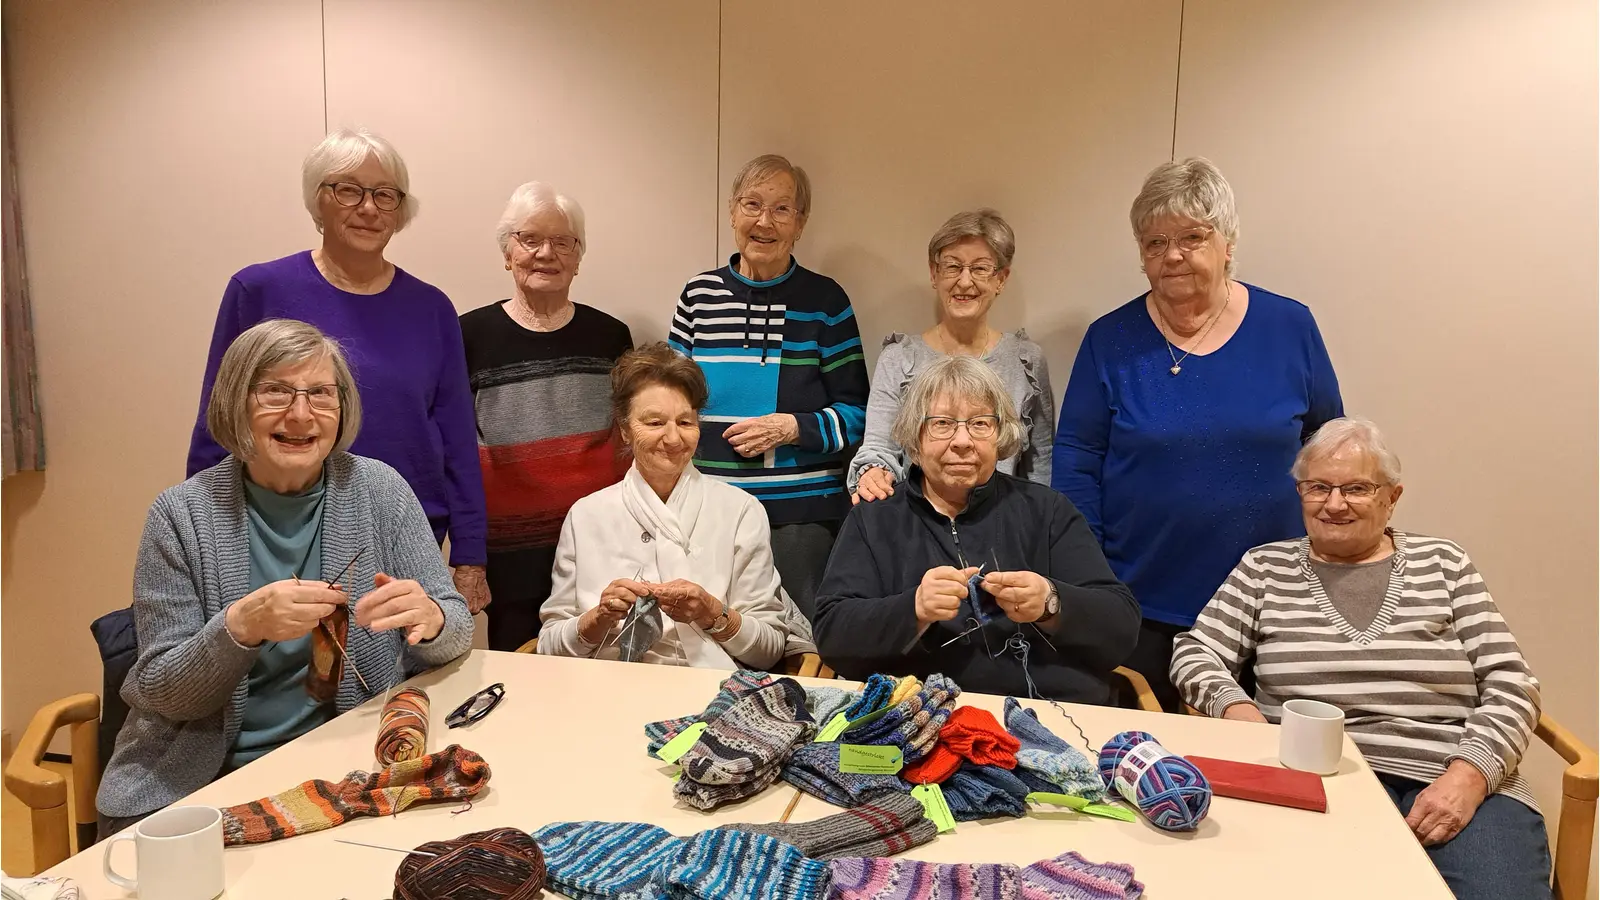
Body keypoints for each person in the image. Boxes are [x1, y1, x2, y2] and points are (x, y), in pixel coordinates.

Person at [98, 320, 474, 838]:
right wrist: (238, 627)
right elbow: (163, 692)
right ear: (234, 402)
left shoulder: (381, 490)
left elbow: (457, 629)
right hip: (199, 784)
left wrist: (432, 620)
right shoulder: (181, 514)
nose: (300, 414)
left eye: (321, 393)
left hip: (341, 767)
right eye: (274, 391)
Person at [1171, 417, 1546, 900]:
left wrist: (1469, 775)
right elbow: (1195, 650)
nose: (1334, 503)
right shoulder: (1264, 567)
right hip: (1312, 778)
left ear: (1392, 497)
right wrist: (1237, 710)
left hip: (1451, 774)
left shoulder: (1445, 563)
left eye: (1356, 488)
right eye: (1318, 487)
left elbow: (1513, 682)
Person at [1053, 157, 1343, 711]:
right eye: (1155, 242)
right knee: (1152, 761)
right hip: (1142, 597)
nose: (1174, 255)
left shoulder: (1290, 326)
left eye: (1193, 236)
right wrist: (1091, 569)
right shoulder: (1110, 339)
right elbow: (1078, 456)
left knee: (1263, 765)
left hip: (1273, 601)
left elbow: (1327, 445)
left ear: (1228, 243)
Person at [186, 127, 490, 615]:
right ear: (317, 202)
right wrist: (204, 528)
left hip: (403, 536)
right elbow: (216, 419)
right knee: (282, 676)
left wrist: (471, 555)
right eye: (348, 190)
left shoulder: (431, 308)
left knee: (396, 680)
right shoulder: (258, 290)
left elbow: (456, 435)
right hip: (275, 530)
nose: (369, 208)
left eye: (385, 195)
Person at [814, 356, 1139, 703]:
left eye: (980, 423)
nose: (963, 441)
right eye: (942, 424)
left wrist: (1051, 601)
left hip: (1048, 711)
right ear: (914, 439)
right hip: (922, 718)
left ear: (999, 436)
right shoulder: (874, 520)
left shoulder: (1047, 510)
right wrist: (914, 608)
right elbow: (833, 636)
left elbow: (1120, 628)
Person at [667, 154, 869, 619]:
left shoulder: (826, 301)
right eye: (752, 204)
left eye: (782, 209)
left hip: (800, 518)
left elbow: (860, 415)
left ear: (800, 223)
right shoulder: (698, 296)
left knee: (801, 647)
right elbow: (672, 401)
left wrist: (790, 428)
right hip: (707, 512)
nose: (765, 221)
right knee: (709, 642)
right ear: (733, 212)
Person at [538, 343, 796, 669]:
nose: (673, 439)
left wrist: (712, 613)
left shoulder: (740, 511)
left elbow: (769, 650)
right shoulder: (586, 516)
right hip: (604, 689)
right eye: (655, 422)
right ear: (625, 430)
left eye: (685, 423)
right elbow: (548, 648)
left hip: (712, 693)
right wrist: (598, 619)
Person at [460, 182, 633, 651]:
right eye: (529, 239)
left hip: (600, 549)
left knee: (606, 670)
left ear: (578, 258)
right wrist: (468, 558)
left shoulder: (610, 336)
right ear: (506, 253)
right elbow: (455, 453)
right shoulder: (469, 335)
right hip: (510, 554)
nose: (545, 253)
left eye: (563, 242)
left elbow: (627, 440)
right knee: (520, 678)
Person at [850, 209, 1054, 504]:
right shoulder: (899, 359)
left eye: (981, 268)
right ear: (934, 274)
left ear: (1001, 279)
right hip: (919, 525)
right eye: (952, 267)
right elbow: (878, 447)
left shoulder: (1027, 362)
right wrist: (872, 473)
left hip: (1003, 527)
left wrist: (1038, 526)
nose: (965, 282)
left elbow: (1041, 461)